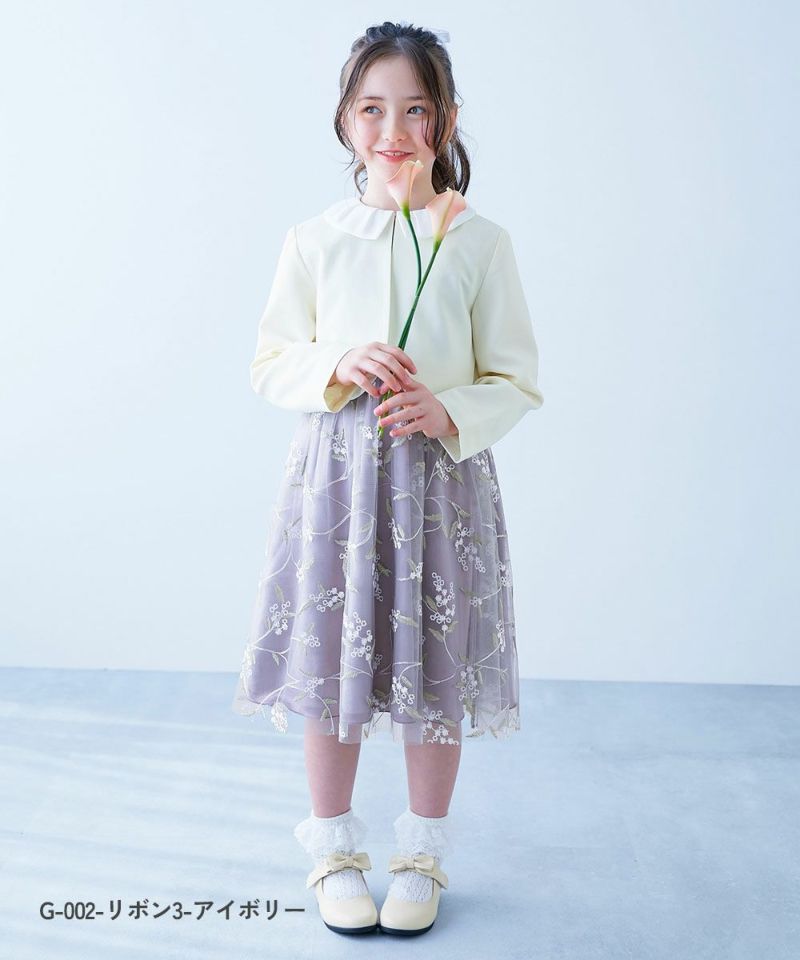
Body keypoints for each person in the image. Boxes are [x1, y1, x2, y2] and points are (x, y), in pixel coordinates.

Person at [231, 20, 544, 937]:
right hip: (338, 491)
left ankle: (421, 856)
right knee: (333, 663)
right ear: (345, 120)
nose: (393, 130)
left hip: (439, 489)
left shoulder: (478, 242)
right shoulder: (315, 239)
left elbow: (516, 378)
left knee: (433, 672)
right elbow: (270, 362)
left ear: (446, 120)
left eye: (414, 109)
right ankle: (333, 851)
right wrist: (336, 361)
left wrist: (451, 412)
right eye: (372, 109)